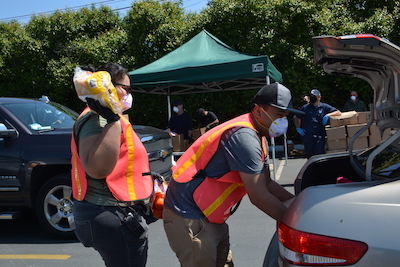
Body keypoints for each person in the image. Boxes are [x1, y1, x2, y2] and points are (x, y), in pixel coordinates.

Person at [163, 83, 304, 267]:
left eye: (285, 117)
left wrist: (296, 205)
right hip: (189, 216)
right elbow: (259, 195)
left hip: (209, 215)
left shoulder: (257, 135)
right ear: (258, 111)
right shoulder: (244, 137)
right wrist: (297, 226)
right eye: (278, 115)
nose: (282, 122)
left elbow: (267, 184)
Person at [71, 63, 154, 267]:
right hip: (108, 211)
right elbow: (97, 169)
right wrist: (112, 120)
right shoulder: (98, 119)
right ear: (109, 86)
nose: (128, 94)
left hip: (109, 210)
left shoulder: (106, 117)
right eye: (126, 89)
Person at [294, 89, 342, 159]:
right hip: (308, 136)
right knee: (310, 156)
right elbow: (296, 117)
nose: (312, 98)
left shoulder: (324, 107)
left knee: (320, 156)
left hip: (319, 136)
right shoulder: (305, 107)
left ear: (319, 97)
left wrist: (328, 115)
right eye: (311, 96)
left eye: (314, 96)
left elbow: (338, 112)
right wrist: (298, 128)